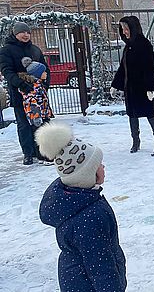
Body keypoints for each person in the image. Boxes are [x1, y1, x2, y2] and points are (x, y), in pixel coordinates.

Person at [37, 122, 127, 292]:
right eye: (98, 164)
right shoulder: (90, 215)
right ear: (87, 174)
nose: (103, 166)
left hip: (75, 279)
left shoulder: (71, 200)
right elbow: (101, 268)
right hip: (89, 284)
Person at [110, 15, 154, 156]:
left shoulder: (144, 45)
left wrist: (151, 88)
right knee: (132, 115)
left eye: (126, 28)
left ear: (133, 28)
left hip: (144, 89)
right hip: (131, 89)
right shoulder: (128, 47)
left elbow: (150, 68)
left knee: (150, 114)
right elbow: (123, 68)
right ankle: (136, 142)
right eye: (122, 29)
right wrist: (115, 84)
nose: (124, 31)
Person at [0, 22, 50, 165]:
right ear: (15, 34)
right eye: (22, 32)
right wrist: (22, 85)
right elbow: (7, 71)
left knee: (39, 123)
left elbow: (45, 68)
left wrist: (45, 85)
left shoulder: (35, 49)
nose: (26, 35)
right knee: (24, 124)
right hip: (19, 94)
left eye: (28, 32)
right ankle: (28, 153)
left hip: (37, 95)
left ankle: (41, 151)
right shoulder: (6, 50)